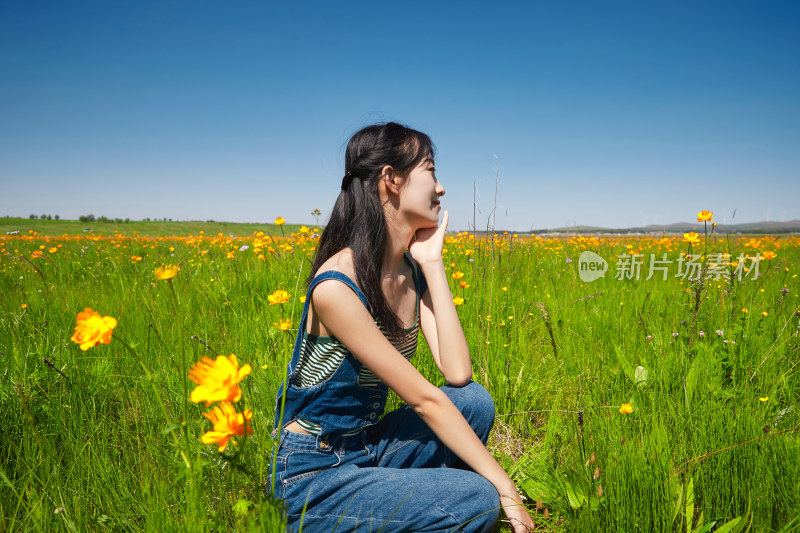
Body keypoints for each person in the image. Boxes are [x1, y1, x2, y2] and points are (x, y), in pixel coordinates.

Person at [271, 122, 534, 532]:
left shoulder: (411, 270)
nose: (441, 187)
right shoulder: (338, 284)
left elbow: (457, 373)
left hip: (366, 446)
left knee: (474, 403)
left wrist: (432, 262)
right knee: (478, 500)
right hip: (313, 473)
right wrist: (505, 488)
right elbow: (424, 401)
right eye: (430, 169)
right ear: (391, 180)